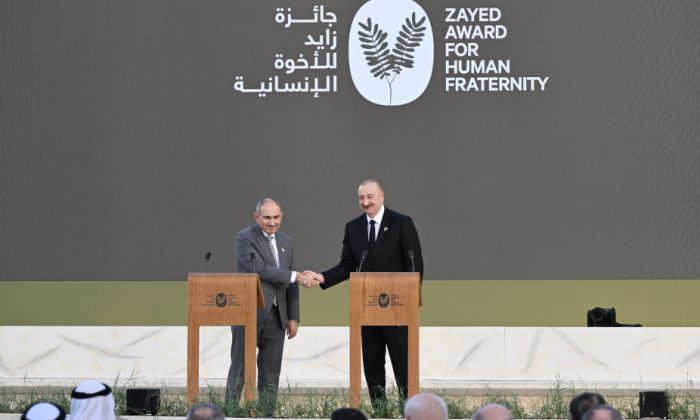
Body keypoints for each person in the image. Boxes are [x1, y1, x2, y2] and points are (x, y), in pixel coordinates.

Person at [309, 179, 424, 406]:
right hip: (368, 307)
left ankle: (410, 410)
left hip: (398, 309)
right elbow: (347, 265)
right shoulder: (353, 227)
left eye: (370, 196)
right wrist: (322, 277)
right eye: (361, 198)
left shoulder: (401, 223)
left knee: (403, 364)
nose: (365, 202)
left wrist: (411, 300)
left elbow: (415, 264)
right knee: (372, 364)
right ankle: (380, 411)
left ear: (382, 196)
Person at [226, 198, 317, 415]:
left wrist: (293, 316)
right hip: (249, 311)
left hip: (277, 316)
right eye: (267, 217)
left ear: (281, 216)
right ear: (257, 217)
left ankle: (266, 414)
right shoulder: (244, 238)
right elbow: (260, 269)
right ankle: (230, 412)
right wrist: (297, 276)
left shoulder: (287, 241)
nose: (272, 222)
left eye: (276, 217)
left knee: (271, 371)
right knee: (240, 367)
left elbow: (291, 283)